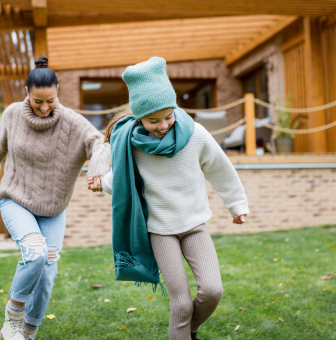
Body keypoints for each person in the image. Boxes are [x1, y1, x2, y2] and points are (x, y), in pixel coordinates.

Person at [95, 57, 249, 340]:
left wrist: (236, 204)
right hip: (159, 230)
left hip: (194, 225)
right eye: (153, 120)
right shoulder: (131, 143)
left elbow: (220, 168)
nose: (163, 125)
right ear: (139, 118)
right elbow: (121, 180)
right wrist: (101, 183)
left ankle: (189, 331)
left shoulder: (195, 135)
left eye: (168, 116)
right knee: (180, 302)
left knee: (213, 290)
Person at [0, 56, 111, 340]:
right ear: (26, 92)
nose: (44, 107)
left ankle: (29, 330)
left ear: (57, 92)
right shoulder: (13, 114)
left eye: (50, 100)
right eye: (37, 101)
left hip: (53, 208)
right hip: (15, 198)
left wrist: (98, 171)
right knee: (35, 254)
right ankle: (12, 316)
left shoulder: (72, 123)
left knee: (48, 270)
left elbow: (100, 142)